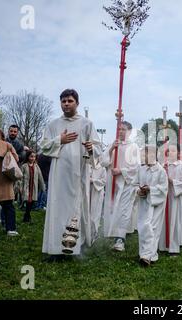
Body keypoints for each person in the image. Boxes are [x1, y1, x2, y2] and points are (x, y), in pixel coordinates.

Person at [40, 89, 101, 261]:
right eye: (63, 101)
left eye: (69, 101)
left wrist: (91, 149)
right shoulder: (53, 125)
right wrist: (60, 140)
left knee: (75, 209)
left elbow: (97, 148)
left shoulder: (86, 124)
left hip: (78, 174)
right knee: (57, 209)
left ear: (77, 103)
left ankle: (73, 248)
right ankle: (55, 249)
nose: (66, 104)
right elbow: (44, 146)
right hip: (59, 174)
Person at [102, 121, 139, 252]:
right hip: (112, 181)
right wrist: (112, 148)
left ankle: (120, 239)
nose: (121, 131)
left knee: (123, 210)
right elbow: (104, 162)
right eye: (119, 129)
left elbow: (136, 166)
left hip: (125, 182)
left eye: (124, 129)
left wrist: (121, 170)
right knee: (111, 208)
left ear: (129, 131)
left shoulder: (133, 147)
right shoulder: (114, 143)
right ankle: (111, 234)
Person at [135, 145, 168, 266]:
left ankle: (148, 256)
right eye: (143, 154)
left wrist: (151, 189)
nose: (143, 157)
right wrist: (139, 191)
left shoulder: (161, 171)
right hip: (144, 203)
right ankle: (143, 253)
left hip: (156, 204)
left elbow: (164, 189)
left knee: (152, 227)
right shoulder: (141, 169)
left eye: (146, 154)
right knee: (143, 227)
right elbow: (135, 184)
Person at [158, 145, 182, 256]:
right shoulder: (162, 166)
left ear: (178, 153)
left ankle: (174, 248)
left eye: (173, 150)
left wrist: (172, 181)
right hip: (164, 197)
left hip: (175, 197)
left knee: (175, 221)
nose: (171, 152)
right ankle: (162, 245)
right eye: (169, 150)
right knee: (163, 220)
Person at [21, 150, 45, 223]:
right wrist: (20, 187)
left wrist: (42, 187)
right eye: (31, 156)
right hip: (26, 187)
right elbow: (20, 177)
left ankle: (26, 216)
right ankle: (27, 217)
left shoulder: (36, 166)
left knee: (31, 202)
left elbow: (40, 177)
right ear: (28, 157)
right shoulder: (24, 166)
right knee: (28, 201)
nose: (33, 158)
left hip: (33, 187)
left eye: (34, 157)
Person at [89, 155, 107, 245]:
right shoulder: (87, 166)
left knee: (94, 215)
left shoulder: (102, 168)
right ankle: (86, 235)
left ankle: (94, 234)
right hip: (87, 192)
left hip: (97, 192)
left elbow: (104, 181)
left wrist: (93, 180)